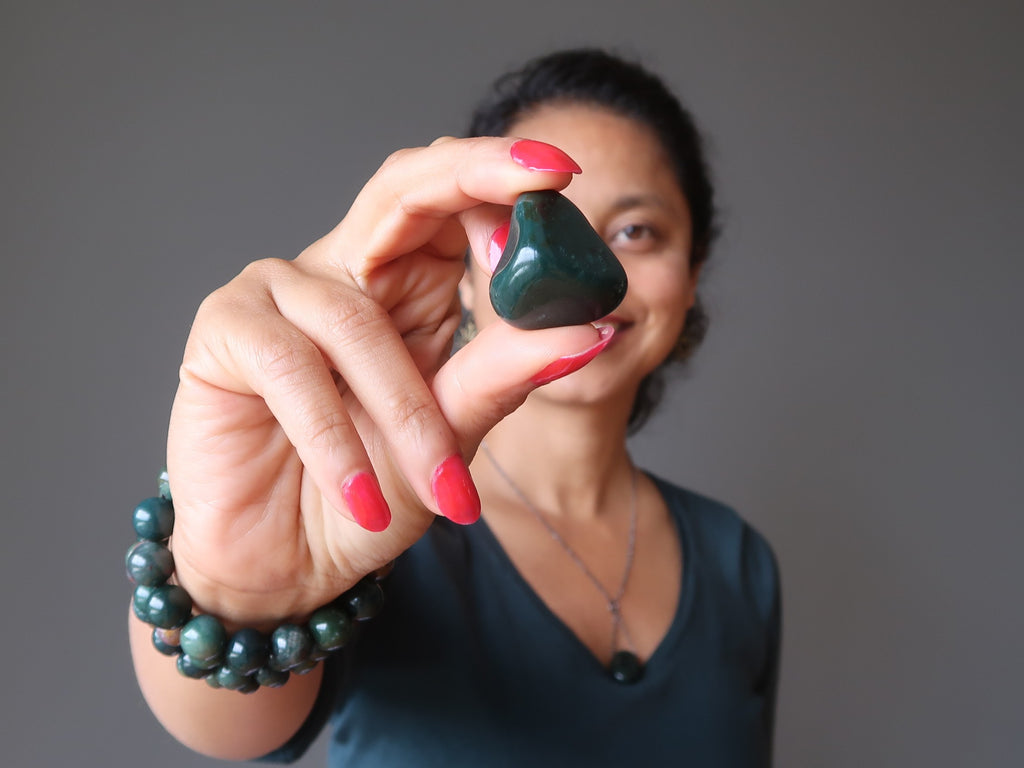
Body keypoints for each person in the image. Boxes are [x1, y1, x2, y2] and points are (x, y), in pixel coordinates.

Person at [128, 48, 781, 766]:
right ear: (467, 278)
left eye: (636, 231)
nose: (593, 259)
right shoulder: (370, 514)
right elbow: (227, 730)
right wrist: (228, 587)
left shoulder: (739, 563)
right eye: (544, 219)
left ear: (691, 277)